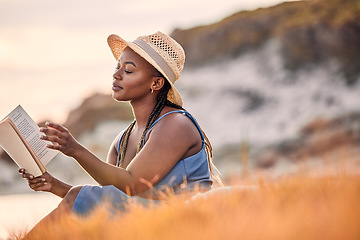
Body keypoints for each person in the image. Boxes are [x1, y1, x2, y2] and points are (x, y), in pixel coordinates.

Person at [19, 31, 221, 236]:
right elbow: (110, 200)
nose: (116, 75)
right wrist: (54, 185)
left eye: (129, 71)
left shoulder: (176, 124)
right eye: (117, 67)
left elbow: (132, 183)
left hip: (188, 222)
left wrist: (75, 150)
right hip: (152, 222)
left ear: (156, 83)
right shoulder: (122, 140)